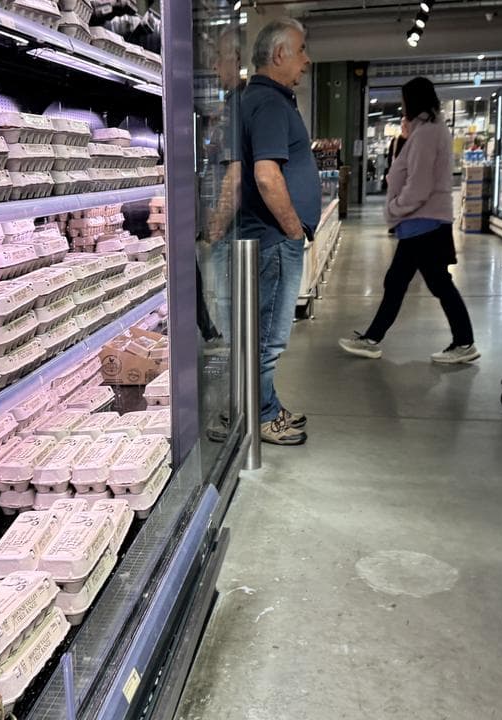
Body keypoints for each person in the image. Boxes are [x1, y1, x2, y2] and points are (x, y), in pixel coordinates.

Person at [208, 17, 318, 447]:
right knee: (268, 338)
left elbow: (235, 175)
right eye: (302, 50)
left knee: (252, 335)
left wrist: (216, 226)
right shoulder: (271, 103)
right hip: (274, 240)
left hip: (257, 238)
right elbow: (266, 176)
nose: (307, 60)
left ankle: (253, 405)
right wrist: (293, 231)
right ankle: (262, 414)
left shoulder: (245, 100)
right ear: (279, 55)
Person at [338, 77, 478, 364]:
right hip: (425, 222)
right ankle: (460, 341)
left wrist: (397, 207)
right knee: (420, 282)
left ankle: (375, 339)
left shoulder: (427, 133)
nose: (402, 106)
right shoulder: (430, 130)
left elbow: (419, 184)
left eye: (404, 101)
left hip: (422, 222)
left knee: (412, 282)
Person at [200, 30, 246, 344]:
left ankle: (241, 382)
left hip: (229, 230)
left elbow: (236, 171)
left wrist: (217, 222)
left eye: (220, 60)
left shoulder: (236, 106)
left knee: (230, 306)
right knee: (230, 304)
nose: (216, 68)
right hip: (229, 229)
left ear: (237, 60)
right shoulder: (233, 104)